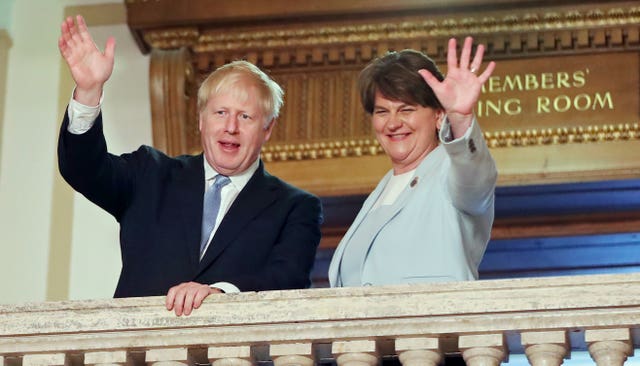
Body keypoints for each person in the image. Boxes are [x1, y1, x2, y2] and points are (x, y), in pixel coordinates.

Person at [57, 15, 323, 315]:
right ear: (201, 119)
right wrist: (89, 92)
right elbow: (83, 169)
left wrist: (221, 292)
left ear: (268, 129)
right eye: (220, 112)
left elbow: (289, 278)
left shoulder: (296, 207)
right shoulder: (151, 174)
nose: (230, 127)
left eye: (245, 117)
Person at [328, 37, 497, 287]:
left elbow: (476, 178)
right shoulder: (382, 190)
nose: (393, 123)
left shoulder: (450, 173)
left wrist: (460, 119)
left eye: (406, 110)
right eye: (382, 111)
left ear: (439, 115)